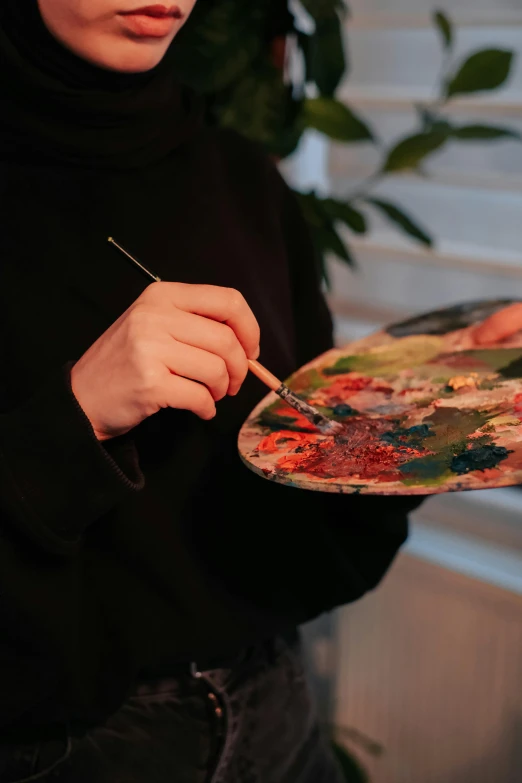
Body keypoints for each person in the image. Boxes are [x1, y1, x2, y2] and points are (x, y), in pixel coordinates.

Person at [0, 2, 519, 782]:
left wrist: (419, 411)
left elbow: (291, 538)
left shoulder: (239, 176)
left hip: (279, 718)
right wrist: (72, 420)